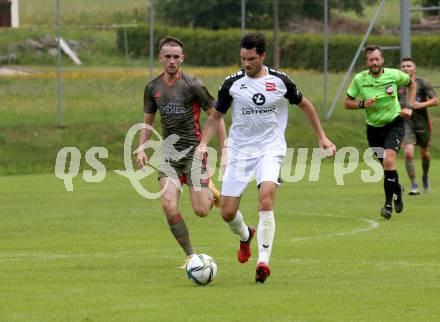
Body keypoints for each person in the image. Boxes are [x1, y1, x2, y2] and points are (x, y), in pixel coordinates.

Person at [196, 32, 336, 283]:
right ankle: (245, 236)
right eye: (242, 59)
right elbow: (216, 116)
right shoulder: (231, 84)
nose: (246, 64)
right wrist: (204, 143)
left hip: (270, 149)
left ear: (262, 56)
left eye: (251, 59)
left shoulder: (280, 81)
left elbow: (306, 105)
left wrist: (322, 137)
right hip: (240, 151)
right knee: (227, 212)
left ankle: (263, 262)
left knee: (266, 198)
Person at [136, 36, 227, 266]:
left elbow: (216, 116)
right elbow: (148, 121)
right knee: (168, 205)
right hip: (168, 155)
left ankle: (211, 191)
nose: (172, 61)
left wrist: (225, 147)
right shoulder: (152, 88)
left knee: (201, 210)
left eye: (176, 57)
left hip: (194, 153)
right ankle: (191, 256)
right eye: (168, 56)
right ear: (160, 58)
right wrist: (141, 148)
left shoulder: (193, 85)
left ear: (182, 59)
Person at [344, 45, 416, 220]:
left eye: (377, 59)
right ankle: (397, 189)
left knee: (390, 161)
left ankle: (387, 205)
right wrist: (362, 104)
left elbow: (411, 84)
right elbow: (347, 102)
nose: (375, 62)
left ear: (382, 60)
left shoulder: (394, 74)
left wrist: (409, 106)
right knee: (387, 167)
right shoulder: (359, 79)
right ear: (366, 62)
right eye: (371, 60)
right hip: (374, 129)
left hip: (394, 123)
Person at [398, 57, 438, 195]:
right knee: (408, 153)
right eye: (403, 66)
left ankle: (425, 177)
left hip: (422, 124)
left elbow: (435, 100)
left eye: (409, 66)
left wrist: (421, 104)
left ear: (414, 68)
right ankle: (414, 184)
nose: (406, 68)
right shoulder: (396, 84)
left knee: (424, 153)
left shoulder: (422, 83)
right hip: (406, 123)